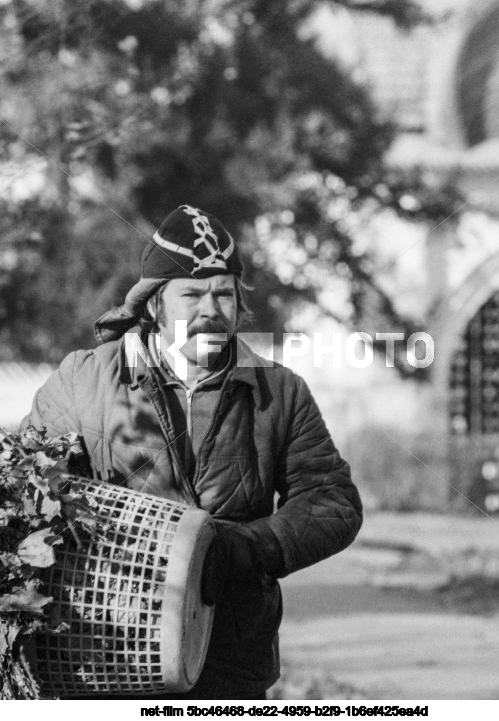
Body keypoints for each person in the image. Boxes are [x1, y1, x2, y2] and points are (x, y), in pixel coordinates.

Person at [22, 205, 363, 699]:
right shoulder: (84, 380)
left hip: (230, 657)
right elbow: (24, 490)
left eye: (224, 293)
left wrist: (244, 549)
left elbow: (333, 502)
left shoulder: (279, 391)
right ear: (155, 304)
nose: (211, 310)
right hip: (107, 652)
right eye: (193, 294)